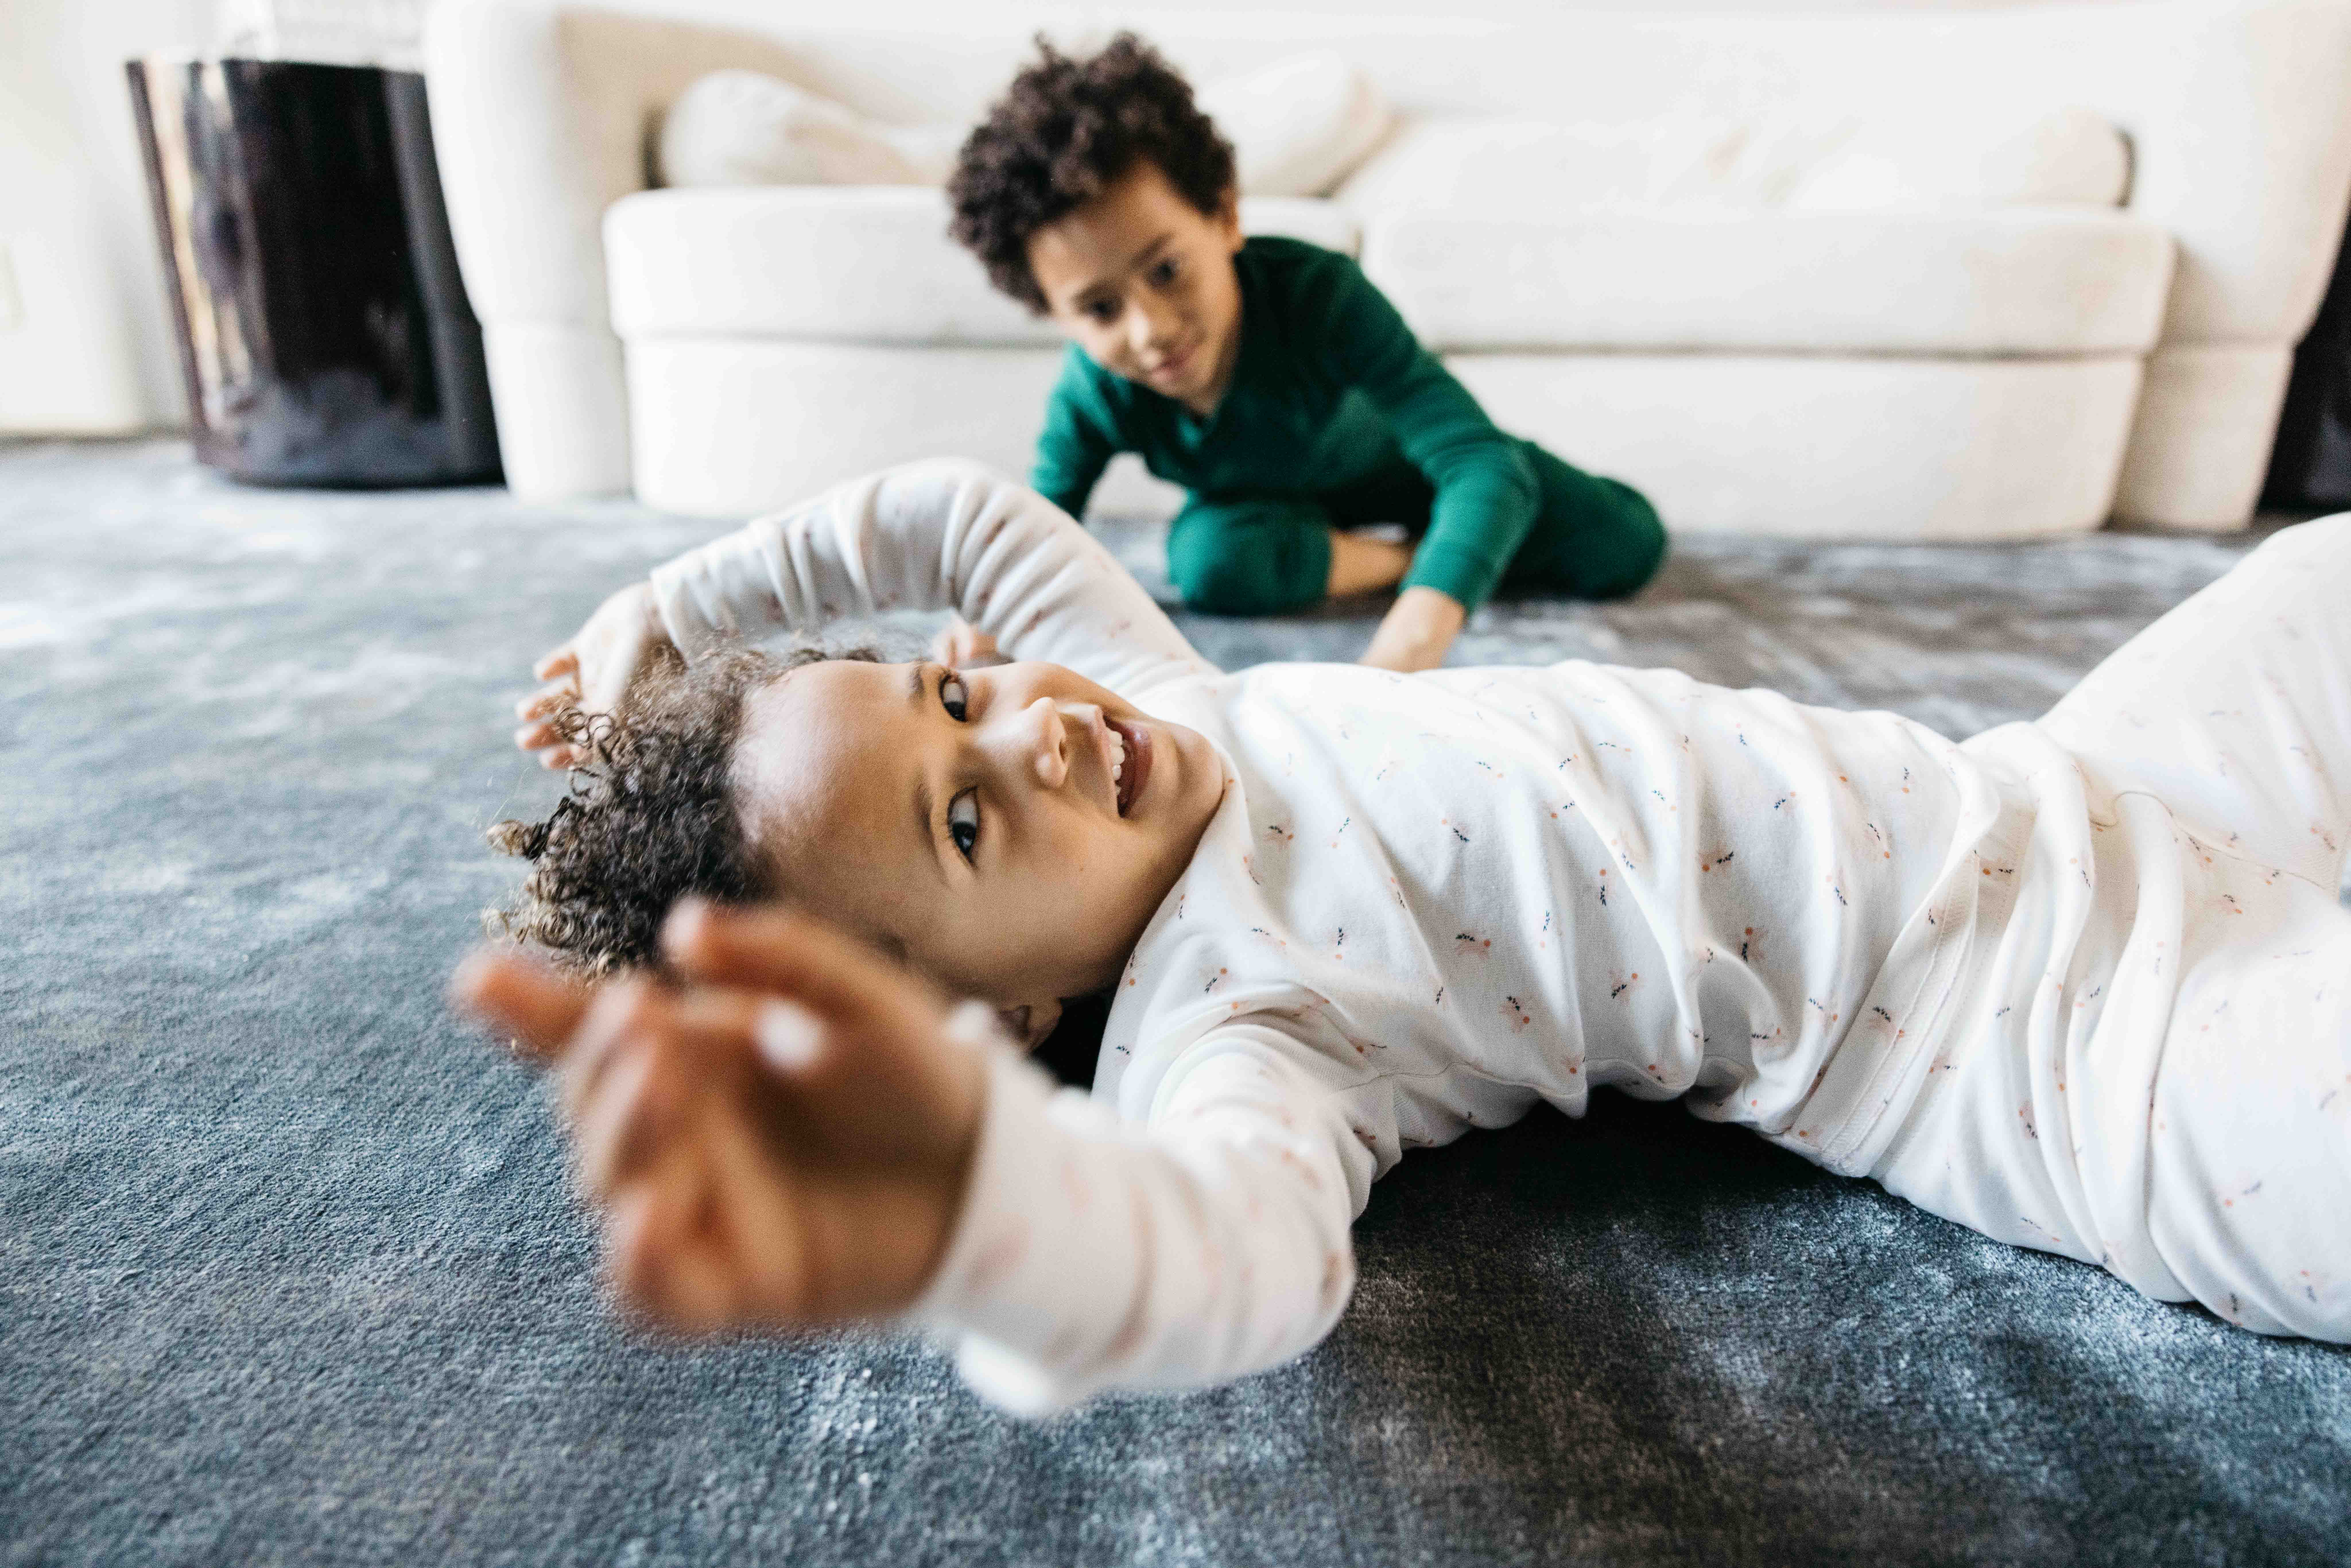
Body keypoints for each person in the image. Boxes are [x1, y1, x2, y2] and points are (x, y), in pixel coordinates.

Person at [464, 459, 2351, 1414]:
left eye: (952, 694)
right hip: (2052, 1045)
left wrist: (674, 602)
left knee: (2312, 573)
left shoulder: (1157, 698)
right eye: (965, 824)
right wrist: (988, 1206)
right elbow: (1236, 1261)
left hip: (2080, 778)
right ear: (1014, 1010)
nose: (1026, 735)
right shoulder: (1232, 1022)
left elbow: (957, 518)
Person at [941, 34, 1666, 674]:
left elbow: (1478, 461)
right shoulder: (1094, 391)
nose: (1150, 330)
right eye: (1100, 310)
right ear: (1055, 314)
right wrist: (986, 616)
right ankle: (1412, 557)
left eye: (1166, 270)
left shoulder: (1321, 293)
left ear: (1225, 215)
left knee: (1623, 544)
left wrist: (1409, 642)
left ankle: (1433, 548)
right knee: (1213, 561)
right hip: (1267, 515)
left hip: (1408, 477)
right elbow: (1041, 526)